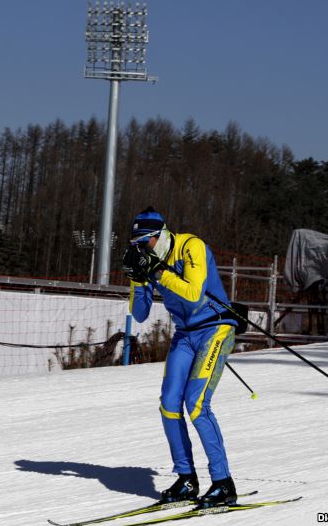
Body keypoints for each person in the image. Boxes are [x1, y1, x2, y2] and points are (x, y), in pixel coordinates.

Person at [121, 206, 239, 509]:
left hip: (216, 328)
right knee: (169, 404)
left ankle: (223, 483)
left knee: (196, 404)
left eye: (142, 243)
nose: (139, 249)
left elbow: (194, 293)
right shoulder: (150, 260)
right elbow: (140, 313)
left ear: (159, 236)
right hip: (186, 334)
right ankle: (186, 478)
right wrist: (137, 278)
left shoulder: (191, 246)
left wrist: (158, 271)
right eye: (134, 244)